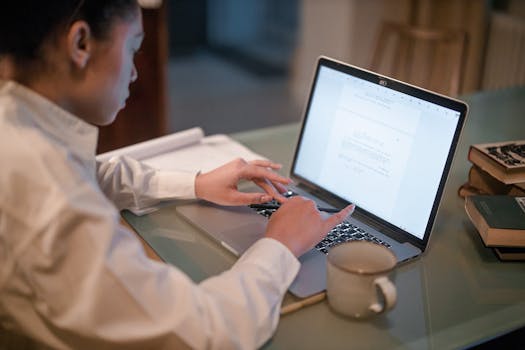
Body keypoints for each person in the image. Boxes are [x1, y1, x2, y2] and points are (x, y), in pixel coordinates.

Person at [0, 1, 353, 349]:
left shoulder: (18, 124)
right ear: (81, 44)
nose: (135, 72)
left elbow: (93, 174)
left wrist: (197, 183)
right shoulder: (49, 193)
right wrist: (281, 244)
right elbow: (206, 332)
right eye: (133, 48)